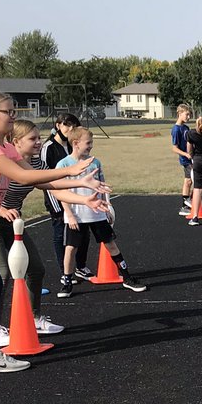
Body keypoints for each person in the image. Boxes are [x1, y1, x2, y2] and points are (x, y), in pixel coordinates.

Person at [0, 91, 103, 373]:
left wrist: (82, 191)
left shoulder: (6, 147)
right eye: (9, 112)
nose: (13, 116)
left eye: (14, 111)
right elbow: (23, 177)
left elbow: (40, 182)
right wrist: (71, 169)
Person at [55, 127, 148, 296]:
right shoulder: (64, 165)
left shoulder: (95, 162)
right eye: (88, 142)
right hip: (76, 215)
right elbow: (61, 192)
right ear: (76, 143)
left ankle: (127, 277)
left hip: (96, 212)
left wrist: (107, 207)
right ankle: (67, 281)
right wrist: (68, 213)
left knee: (111, 244)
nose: (91, 146)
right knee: (71, 248)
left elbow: (103, 186)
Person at [40, 113, 91, 276]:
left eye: (73, 125)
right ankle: (65, 272)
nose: (70, 128)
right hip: (57, 199)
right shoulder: (48, 147)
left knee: (83, 233)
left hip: (74, 197)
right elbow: (44, 178)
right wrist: (60, 206)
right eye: (67, 124)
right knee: (62, 234)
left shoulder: (71, 146)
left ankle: (80, 267)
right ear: (58, 126)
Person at [171, 103, 194, 216]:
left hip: (191, 157)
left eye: (189, 115)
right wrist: (185, 154)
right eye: (187, 114)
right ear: (180, 114)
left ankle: (188, 203)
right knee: (189, 180)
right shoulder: (176, 129)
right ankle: (185, 204)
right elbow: (174, 148)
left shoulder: (186, 127)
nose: (188, 117)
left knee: (189, 180)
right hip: (185, 159)